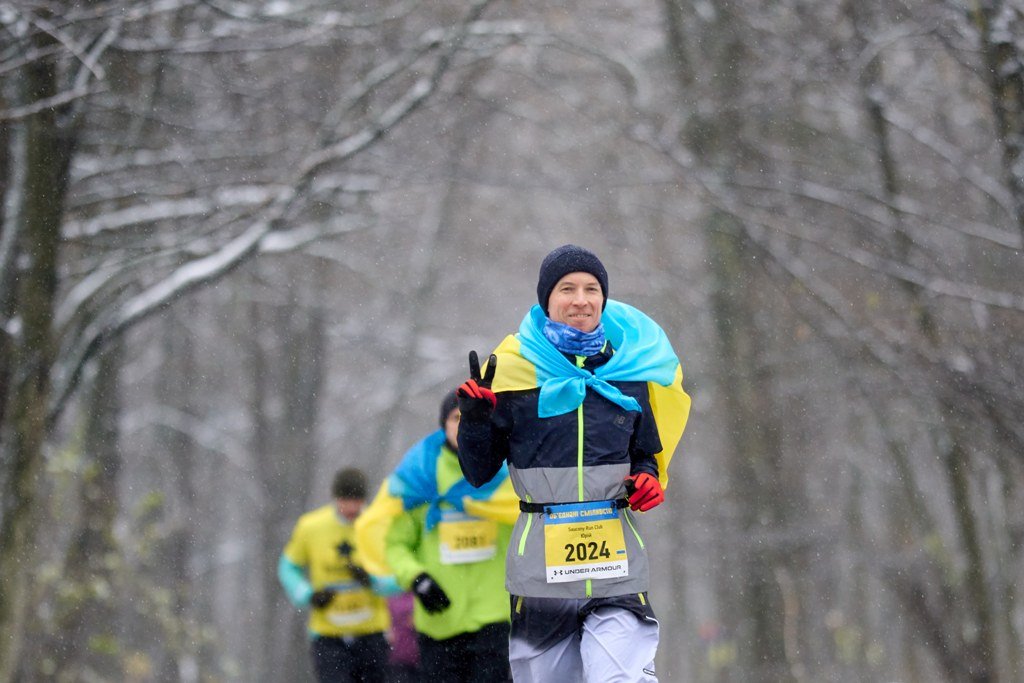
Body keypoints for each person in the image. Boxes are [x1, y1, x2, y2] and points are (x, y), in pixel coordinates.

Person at [455, 244, 691, 682]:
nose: (580, 299)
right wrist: (475, 422)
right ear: (546, 299)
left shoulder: (628, 372)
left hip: (615, 569)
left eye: (591, 288)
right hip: (540, 575)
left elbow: (645, 452)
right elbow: (477, 471)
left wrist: (647, 477)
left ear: (604, 299)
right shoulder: (511, 373)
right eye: (567, 289)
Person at [359, 390, 517, 682]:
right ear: (443, 424)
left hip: (494, 617)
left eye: (471, 417)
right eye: (456, 417)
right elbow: (397, 545)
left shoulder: (508, 477)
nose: (464, 424)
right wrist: (417, 579)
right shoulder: (420, 478)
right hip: (438, 621)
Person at [278, 468, 393, 683]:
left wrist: (373, 581)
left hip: (372, 635)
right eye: (345, 500)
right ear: (335, 498)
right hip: (328, 637)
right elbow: (287, 567)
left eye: (357, 500)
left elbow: (398, 575)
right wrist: (308, 594)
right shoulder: (311, 527)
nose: (351, 507)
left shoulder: (379, 525)